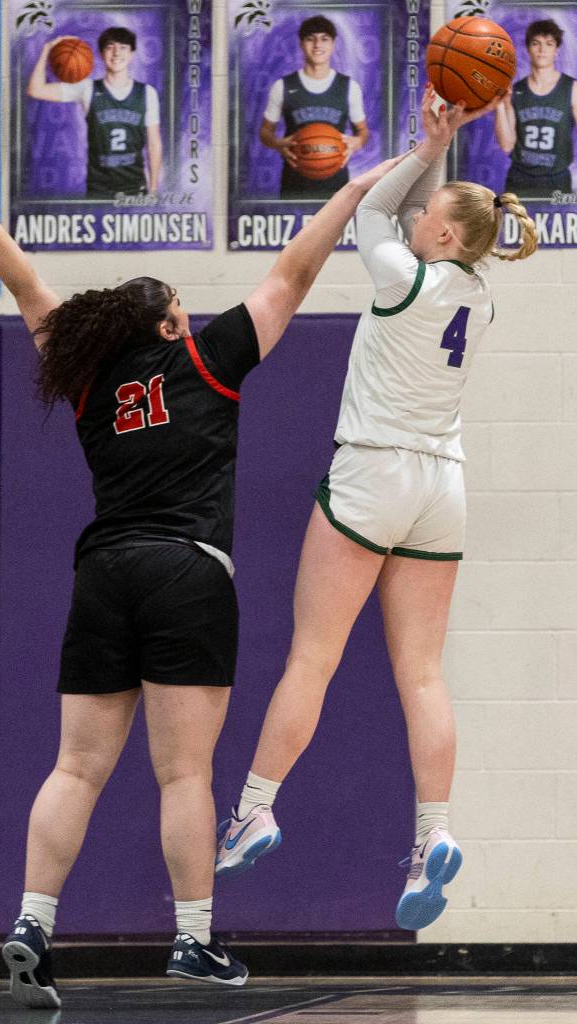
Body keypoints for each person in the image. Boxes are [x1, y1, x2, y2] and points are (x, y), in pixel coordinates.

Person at [0, 143, 404, 1007]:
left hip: (104, 573)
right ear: (173, 326)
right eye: (182, 304)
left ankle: (30, 922)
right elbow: (294, 271)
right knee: (181, 775)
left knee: (74, 768)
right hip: (187, 574)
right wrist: (356, 189)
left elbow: (25, 285)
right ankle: (192, 940)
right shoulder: (209, 357)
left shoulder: (90, 377)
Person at [216, 86, 538, 932]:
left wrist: (432, 144)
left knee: (312, 660)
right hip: (443, 489)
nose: (418, 216)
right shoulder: (481, 296)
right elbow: (406, 208)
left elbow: (368, 203)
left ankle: (254, 808)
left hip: (373, 476)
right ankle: (434, 831)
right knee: (424, 675)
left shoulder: (404, 277)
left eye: (430, 213)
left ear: (441, 234)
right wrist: (442, 143)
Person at [27, 27, 162, 198]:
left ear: (132, 53)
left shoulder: (147, 93)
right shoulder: (87, 89)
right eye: (110, 47)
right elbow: (35, 90)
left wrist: (154, 190)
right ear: (100, 54)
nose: (116, 53)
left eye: (123, 47)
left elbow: (154, 144)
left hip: (135, 188)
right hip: (99, 189)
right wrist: (47, 50)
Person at [259, 15, 369, 199]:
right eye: (311, 39)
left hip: (337, 183)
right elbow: (265, 132)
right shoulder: (283, 86)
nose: (318, 44)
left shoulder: (349, 87)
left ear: (333, 44)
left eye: (324, 39)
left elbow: (363, 132)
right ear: (301, 44)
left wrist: (357, 142)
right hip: (294, 182)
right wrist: (277, 143)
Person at [494, 19, 577, 198]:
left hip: (557, 179)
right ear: (528, 48)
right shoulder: (515, 91)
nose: (542, 50)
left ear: (557, 50)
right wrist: (500, 104)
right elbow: (507, 145)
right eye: (536, 43)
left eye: (549, 44)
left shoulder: (572, 88)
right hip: (519, 179)